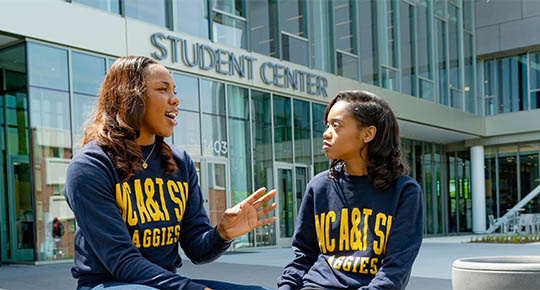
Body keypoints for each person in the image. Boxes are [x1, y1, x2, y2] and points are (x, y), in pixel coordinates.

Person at [64, 56, 277, 290]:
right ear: (131, 97)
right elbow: (122, 261)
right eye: (162, 89)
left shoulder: (180, 162)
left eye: (173, 90)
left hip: (163, 283)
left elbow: (196, 249)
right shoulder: (91, 166)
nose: (175, 99)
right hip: (110, 283)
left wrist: (222, 234)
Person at [277, 90, 423, 290]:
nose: (326, 133)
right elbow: (303, 257)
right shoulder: (319, 186)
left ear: (368, 134)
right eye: (327, 125)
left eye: (336, 126)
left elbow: (394, 272)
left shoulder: (405, 192)